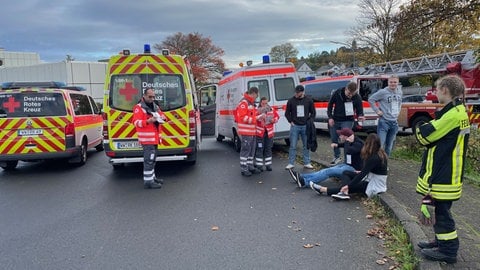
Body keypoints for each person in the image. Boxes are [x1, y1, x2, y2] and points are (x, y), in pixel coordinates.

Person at [414, 75, 470, 264]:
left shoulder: (453, 115)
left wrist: (421, 124)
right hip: (448, 171)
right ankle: (439, 242)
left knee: (443, 214)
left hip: (444, 174)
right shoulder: (458, 111)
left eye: (437, 89)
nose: (436, 92)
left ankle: (448, 250)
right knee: (439, 210)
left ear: (445, 90)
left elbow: (424, 136)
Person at [310, 133, 388, 200]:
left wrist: (348, 186)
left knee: (351, 187)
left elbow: (361, 175)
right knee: (346, 172)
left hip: (375, 184)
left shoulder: (374, 157)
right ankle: (344, 192)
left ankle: (323, 190)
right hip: (370, 177)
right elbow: (373, 170)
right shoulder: (379, 153)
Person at [288, 127, 363, 188]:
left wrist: (347, 143)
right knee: (326, 169)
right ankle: (302, 177)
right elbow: (345, 145)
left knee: (328, 172)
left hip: (353, 169)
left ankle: (305, 182)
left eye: (341, 135)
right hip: (347, 165)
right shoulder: (350, 141)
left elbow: (349, 150)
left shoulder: (358, 144)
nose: (339, 136)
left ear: (346, 136)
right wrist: (337, 145)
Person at [132, 88, 166, 189]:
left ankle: (152, 177)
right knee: (149, 160)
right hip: (147, 140)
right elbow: (135, 122)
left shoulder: (154, 106)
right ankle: (148, 182)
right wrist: (148, 121)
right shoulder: (139, 108)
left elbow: (162, 114)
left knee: (153, 159)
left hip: (154, 139)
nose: (152, 98)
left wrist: (163, 118)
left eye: (153, 97)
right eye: (150, 96)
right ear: (144, 96)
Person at [327, 81, 365, 165]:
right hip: (336, 119)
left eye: (352, 94)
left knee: (346, 139)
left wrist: (360, 116)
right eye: (349, 93)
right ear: (346, 89)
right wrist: (330, 117)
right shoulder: (338, 93)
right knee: (334, 138)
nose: (350, 95)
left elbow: (360, 110)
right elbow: (330, 105)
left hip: (348, 120)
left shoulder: (357, 97)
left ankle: (347, 159)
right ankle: (337, 156)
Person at [368, 75, 402, 156]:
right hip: (384, 121)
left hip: (394, 122)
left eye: (395, 82)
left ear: (398, 83)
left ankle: (385, 164)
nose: (393, 84)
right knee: (380, 145)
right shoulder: (383, 92)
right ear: (388, 82)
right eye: (391, 82)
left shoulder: (400, 91)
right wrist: (377, 111)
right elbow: (371, 99)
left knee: (389, 146)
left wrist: (398, 111)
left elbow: (400, 103)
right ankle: (377, 163)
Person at [284, 85, 316, 170]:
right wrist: (290, 121)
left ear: (302, 92)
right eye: (296, 92)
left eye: (298, 92)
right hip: (295, 126)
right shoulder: (291, 101)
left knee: (306, 145)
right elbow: (287, 113)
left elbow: (313, 113)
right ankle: (291, 163)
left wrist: (310, 121)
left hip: (305, 125)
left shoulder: (309, 100)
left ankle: (307, 162)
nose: (296, 94)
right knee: (293, 145)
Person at [236, 86, 262, 177]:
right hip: (246, 131)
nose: (257, 96)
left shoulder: (251, 103)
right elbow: (242, 117)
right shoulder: (244, 103)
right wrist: (256, 119)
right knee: (246, 150)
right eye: (257, 95)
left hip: (252, 131)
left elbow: (252, 115)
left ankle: (250, 166)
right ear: (253, 93)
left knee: (252, 150)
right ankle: (244, 168)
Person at [255, 97, 279, 171]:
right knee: (260, 149)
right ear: (260, 103)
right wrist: (259, 117)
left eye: (266, 103)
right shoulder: (257, 110)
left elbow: (277, 117)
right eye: (263, 103)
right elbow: (254, 118)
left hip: (269, 133)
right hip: (260, 134)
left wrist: (273, 120)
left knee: (268, 149)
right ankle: (259, 166)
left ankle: (268, 165)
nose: (265, 105)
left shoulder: (271, 109)